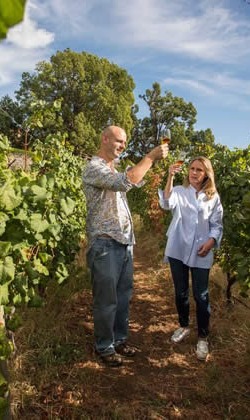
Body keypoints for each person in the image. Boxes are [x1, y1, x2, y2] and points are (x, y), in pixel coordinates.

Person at [82, 125, 168, 367]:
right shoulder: (94, 168)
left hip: (124, 243)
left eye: (124, 142)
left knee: (122, 298)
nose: (122, 146)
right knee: (106, 300)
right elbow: (127, 181)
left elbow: (135, 179)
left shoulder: (114, 168)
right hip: (105, 244)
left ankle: (119, 340)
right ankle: (105, 347)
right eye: (118, 141)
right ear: (105, 138)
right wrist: (150, 156)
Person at [158, 156, 223, 361]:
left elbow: (217, 225)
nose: (194, 173)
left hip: (200, 251)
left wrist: (211, 242)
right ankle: (184, 326)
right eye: (192, 169)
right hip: (178, 249)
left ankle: (203, 337)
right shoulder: (179, 190)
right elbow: (167, 203)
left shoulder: (213, 196)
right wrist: (169, 176)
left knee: (201, 295)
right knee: (181, 292)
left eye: (199, 170)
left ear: (207, 174)